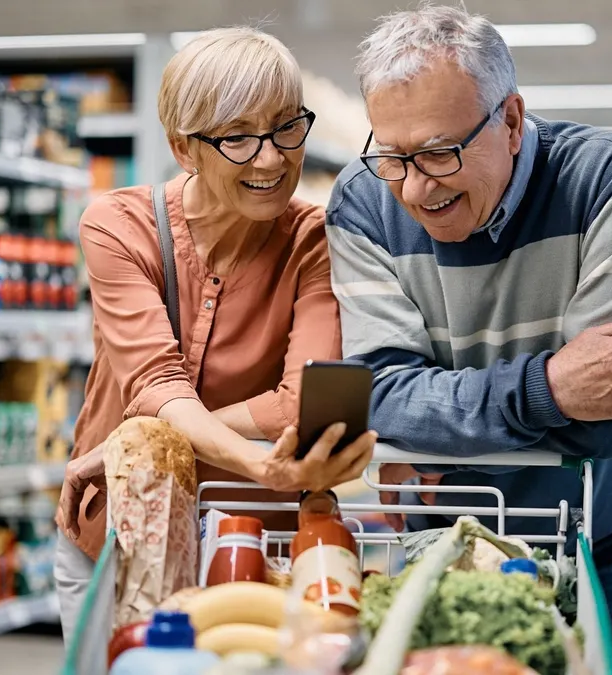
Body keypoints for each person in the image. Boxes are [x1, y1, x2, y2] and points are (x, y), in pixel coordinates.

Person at [326, 5, 612, 674]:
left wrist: (443, 420)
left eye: (438, 152)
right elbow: (380, 397)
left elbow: (609, 428)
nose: (412, 186)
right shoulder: (361, 202)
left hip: (608, 550)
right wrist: (550, 389)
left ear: (512, 120)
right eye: (392, 156)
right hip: (443, 551)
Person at [53, 27, 376, 644]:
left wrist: (131, 444)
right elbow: (156, 385)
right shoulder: (119, 227)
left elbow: (298, 401)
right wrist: (256, 459)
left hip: (255, 554)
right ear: (184, 148)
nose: (272, 158)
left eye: (287, 127)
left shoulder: (317, 241)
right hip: (118, 536)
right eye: (238, 138)